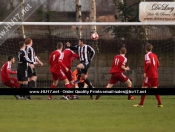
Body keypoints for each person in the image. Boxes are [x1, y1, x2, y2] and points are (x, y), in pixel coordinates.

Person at [133, 43, 163, 107]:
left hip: (149, 75)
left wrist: (145, 72)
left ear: (145, 49)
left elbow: (148, 64)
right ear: (151, 48)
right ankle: (160, 103)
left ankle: (141, 104)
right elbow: (158, 65)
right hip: (155, 75)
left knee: (143, 88)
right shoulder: (155, 55)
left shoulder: (147, 55)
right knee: (155, 89)